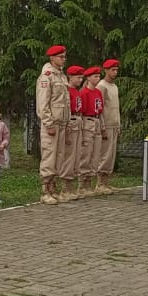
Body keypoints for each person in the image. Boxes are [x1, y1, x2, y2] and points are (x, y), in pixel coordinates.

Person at [35, 45, 68, 204]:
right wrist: (48, 123)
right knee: (49, 156)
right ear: (52, 58)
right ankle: (45, 191)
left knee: (58, 157)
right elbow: (43, 103)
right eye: (61, 57)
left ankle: (53, 188)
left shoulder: (61, 76)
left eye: (64, 56)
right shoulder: (47, 76)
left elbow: (64, 101)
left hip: (61, 122)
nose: (64, 59)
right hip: (52, 123)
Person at [59, 66, 85, 202]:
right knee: (69, 155)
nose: (80, 80)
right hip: (71, 120)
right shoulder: (67, 90)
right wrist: (67, 125)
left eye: (81, 78)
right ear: (70, 77)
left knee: (76, 154)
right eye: (78, 77)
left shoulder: (76, 91)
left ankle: (71, 185)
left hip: (78, 120)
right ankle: (65, 187)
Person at [79, 66, 105, 198]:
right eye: (95, 76)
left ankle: (90, 179)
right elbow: (80, 111)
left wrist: (102, 126)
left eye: (99, 76)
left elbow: (101, 109)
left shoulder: (98, 92)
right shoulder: (84, 93)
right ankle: (82, 183)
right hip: (87, 120)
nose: (97, 79)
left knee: (96, 153)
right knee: (86, 152)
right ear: (88, 78)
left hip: (97, 120)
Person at [96, 59, 121, 194]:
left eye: (116, 70)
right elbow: (99, 108)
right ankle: (100, 183)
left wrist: (118, 124)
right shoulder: (102, 86)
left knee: (111, 155)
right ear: (106, 70)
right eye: (113, 70)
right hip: (106, 124)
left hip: (114, 124)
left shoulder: (114, 87)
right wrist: (102, 126)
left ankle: (106, 182)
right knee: (105, 154)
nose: (115, 72)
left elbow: (115, 107)